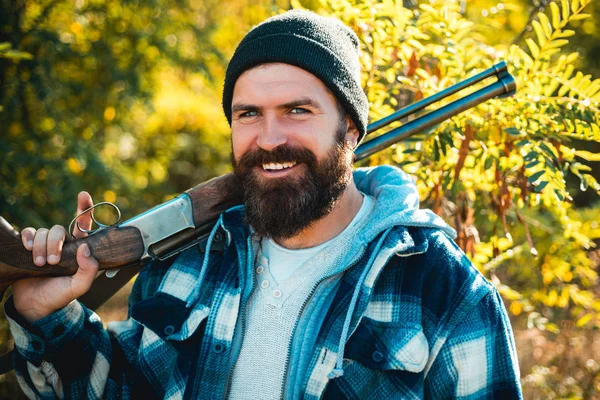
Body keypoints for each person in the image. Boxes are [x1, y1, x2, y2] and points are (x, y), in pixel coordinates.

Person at [5, 9, 522, 400]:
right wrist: (41, 309)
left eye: (298, 110)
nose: (270, 139)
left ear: (352, 130)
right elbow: (120, 388)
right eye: (248, 113)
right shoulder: (187, 259)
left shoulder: (446, 291)